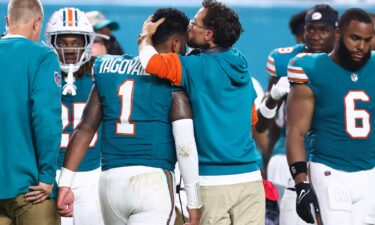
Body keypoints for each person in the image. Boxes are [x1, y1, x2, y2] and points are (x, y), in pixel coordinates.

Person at [57, 8, 202, 225]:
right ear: (175, 44)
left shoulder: (108, 68)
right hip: (153, 184)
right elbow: (185, 146)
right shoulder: (174, 78)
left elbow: (85, 128)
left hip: (110, 183)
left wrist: (65, 183)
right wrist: (193, 202)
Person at [138, 1, 264, 224]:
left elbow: (151, 62)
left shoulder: (196, 66)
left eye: (194, 23)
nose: (189, 26)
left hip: (213, 182)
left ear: (208, 35)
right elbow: (251, 118)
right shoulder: (241, 63)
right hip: (252, 180)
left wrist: (146, 36)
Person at [286, 8, 375, 225]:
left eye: (367, 40)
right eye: (354, 38)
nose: (361, 46)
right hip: (330, 169)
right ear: (338, 33)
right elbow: (296, 132)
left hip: (370, 171)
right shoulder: (311, 67)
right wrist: (301, 184)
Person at [256, 4, 338, 225]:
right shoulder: (284, 61)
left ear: (336, 32)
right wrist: (273, 95)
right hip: (292, 159)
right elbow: (263, 125)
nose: (315, 36)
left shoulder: (347, 62)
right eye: (311, 29)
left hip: (336, 160)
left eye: (323, 30)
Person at [0, 0, 62, 224]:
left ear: (7, 21)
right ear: (37, 23)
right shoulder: (43, 56)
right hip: (30, 189)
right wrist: (47, 177)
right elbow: (46, 119)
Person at [45, 8, 104, 225]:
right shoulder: (40, 72)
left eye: (76, 42)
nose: (70, 49)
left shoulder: (100, 72)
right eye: (64, 42)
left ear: (87, 43)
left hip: (92, 173)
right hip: (50, 173)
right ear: (51, 42)